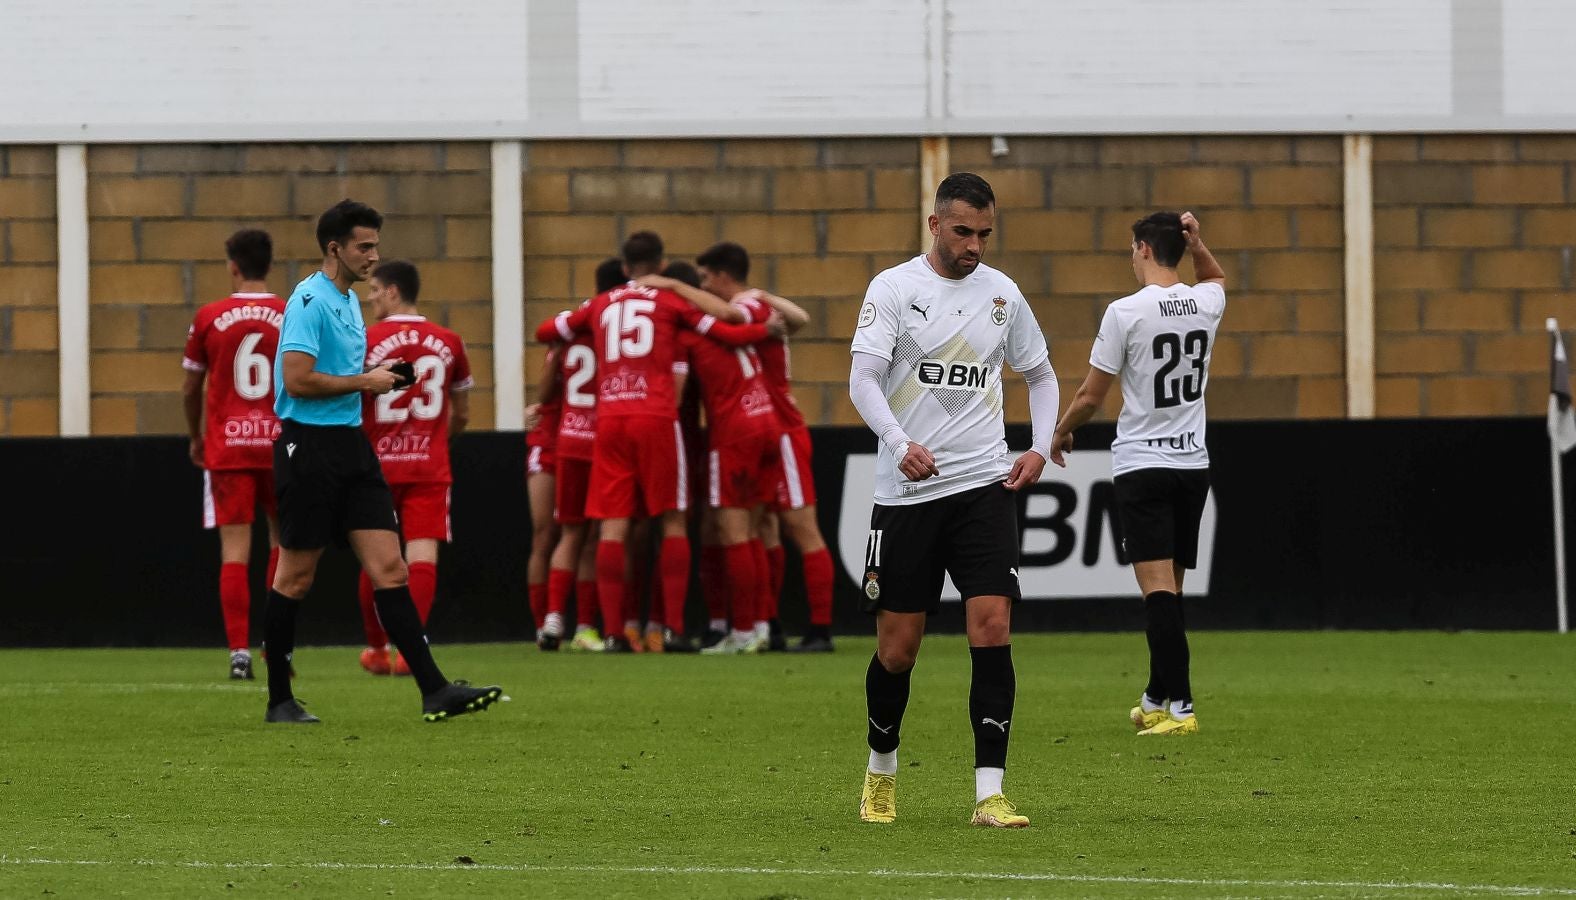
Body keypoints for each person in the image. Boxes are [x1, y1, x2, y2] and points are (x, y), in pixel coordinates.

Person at [848, 173, 1059, 828]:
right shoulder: (895, 289)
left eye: (985, 233)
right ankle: (881, 770)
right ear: (935, 224)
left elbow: (1042, 374)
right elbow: (862, 379)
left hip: (983, 486)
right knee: (898, 649)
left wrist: (1040, 447)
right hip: (908, 493)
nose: (975, 246)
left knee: (992, 625)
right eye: (964, 231)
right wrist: (897, 438)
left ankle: (989, 793)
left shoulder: (1003, 295)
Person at [262, 198, 500, 724]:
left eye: (375, 245)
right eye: (364, 246)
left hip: (351, 446)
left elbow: (336, 379)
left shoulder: (347, 301)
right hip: (308, 448)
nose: (374, 255)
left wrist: (382, 374)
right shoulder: (309, 299)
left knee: (391, 569)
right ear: (335, 248)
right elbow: (297, 380)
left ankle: (434, 690)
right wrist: (364, 381)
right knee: (295, 577)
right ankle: (279, 698)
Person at [535, 231, 780, 653]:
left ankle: (613, 632)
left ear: (625, 267)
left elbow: (546, 331)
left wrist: (575, 322)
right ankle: (670, 628)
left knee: (613, 524)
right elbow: (731, 320)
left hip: (610, 419)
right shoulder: (671, 302)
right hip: (656, 417)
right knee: (671, 520)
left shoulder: (598, 304)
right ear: (661, 267)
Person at [1049, 211, 1224, 738]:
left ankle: (1183, 710)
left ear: (1144, 248)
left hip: (1144, 465)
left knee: (1156, 594)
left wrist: (1058, 432)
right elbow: (1216, 278)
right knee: (1170, 589)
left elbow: (1091, 396)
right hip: (1193, 465)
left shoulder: (1125, 312)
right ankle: (1155, 696)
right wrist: (1199, 244)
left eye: (1133, 248)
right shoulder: (1205, 302)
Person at [696, 242, 835, 652]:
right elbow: (798, 318)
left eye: (706, 279)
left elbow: (797, 318)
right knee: (764, 529)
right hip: (766, 427)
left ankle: (820, 629)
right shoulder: (756, 305)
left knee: (800, 528)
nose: (704, 288)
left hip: (780, 428)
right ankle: (768, 623)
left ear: (723, 275)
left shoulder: (744, 306)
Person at [354, 260, 474, 675]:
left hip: (376, 468)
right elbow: (462, 413)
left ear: (392, 291)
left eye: (372, 290)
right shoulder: (450, 341)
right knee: (422, 556)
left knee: (375, 560)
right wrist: (437, 440)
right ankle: (410, 649)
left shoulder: (365, 341)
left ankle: (377, 650)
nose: (368, 298)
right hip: (428, 463)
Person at [180, 229, 286, 680]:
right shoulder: (290, 314)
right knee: (284, 545)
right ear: (268, 263)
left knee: (234, 552)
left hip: (229, 446)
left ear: (233, 266)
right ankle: (277, 649)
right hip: (282, 446)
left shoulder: (209, 316)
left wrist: (196, 434)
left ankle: (239, 653)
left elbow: (190, 386)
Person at [540, 256, 626, 652]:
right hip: (604, 441)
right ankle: (591, 627)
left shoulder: (571, 327)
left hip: (569, 439)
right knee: (598, 536)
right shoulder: (615, 327)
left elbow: (545, 395)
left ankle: (554, 617)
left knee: (569, 532)